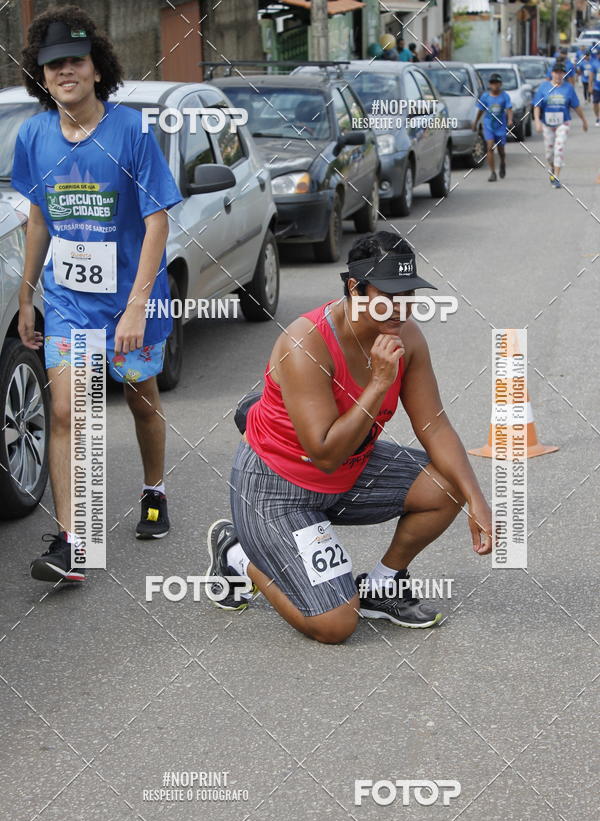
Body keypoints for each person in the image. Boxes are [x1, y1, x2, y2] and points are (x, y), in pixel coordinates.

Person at [206, 232, 493, 645]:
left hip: (347, 473)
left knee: (447, 484)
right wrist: (377, 385)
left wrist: (476, 498)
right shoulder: (306, 343)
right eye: (388, 294)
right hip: (277, 490)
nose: (401, 307)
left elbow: (434, 425)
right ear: (355, 289)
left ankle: (383, 585)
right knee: (336, 624)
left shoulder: (406, 338)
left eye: (408, 293)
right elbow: (324, 454)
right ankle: (236, 555)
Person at [13, 6, 182, 582]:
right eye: (53, 64)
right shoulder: (33, 134)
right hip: (67, 303)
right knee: (67, 411)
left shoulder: (131, 130)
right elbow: (38, 217)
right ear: (42, 75)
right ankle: (72, 543)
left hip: (131, 300)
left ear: (96, 67)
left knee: (140, 398)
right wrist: (26, 293)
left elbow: (157, 219)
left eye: (75, 62)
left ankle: (154, 488)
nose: (65, 72)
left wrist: (137, 304)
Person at [533, 61, 588, 188]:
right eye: (556, 72)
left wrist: (584, 121)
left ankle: (556, 177)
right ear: (552, 73)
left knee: (559, 148)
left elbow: (576, 106)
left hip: (563, 122)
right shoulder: (544, 87)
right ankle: (552, 166)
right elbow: (537, 106)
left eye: (561, 73)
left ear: (564, 74)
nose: (558, 75)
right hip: (547, 123)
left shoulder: (568, 88)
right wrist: (537, 122)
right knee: (549, 153)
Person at [473, 73, 513, 182]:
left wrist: (510, 120)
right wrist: (475, 122)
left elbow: (509, 109)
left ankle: (502, 163)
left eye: (496, 83)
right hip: (488, 126)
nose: (494, 85)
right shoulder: (485, 97)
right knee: (489, 147)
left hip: (500, 126)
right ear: (489, 85)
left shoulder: (504, 96)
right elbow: (481, 110)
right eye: (492, 83)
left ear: (500, 84)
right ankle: (492, 173)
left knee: (501, 150)